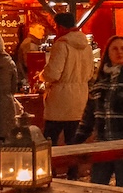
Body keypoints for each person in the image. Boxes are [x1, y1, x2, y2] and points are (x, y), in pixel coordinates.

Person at [73, 35, 123, 189]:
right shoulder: (100, 80)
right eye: (114, 49)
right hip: (103, 142)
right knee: (97, 186)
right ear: (107, 53)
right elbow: (90, 113)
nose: (119, 52)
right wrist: (78, 139)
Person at [40, 12, 94, 178]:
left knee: (48, 140)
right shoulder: (86, 46)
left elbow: (53, 74)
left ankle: (50, 171)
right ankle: (73, 174)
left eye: (57, 27)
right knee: (73, 141)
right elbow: (91, 73)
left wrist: (42, 75)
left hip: (60, 100)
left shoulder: (61, 45)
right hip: (80, 98)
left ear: (61, 27)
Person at [14, 22, 45, 90]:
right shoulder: (30, 44)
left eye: (43, 29)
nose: (42, 31)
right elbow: (30, 65)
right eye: (39, 29)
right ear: (31, 29)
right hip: (27, 81)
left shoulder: (32, 43)